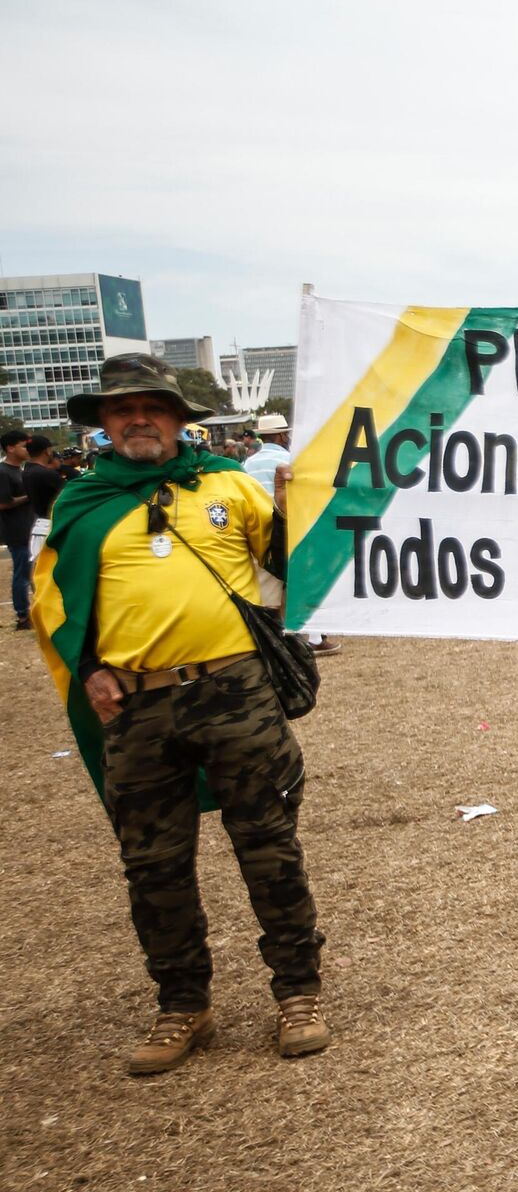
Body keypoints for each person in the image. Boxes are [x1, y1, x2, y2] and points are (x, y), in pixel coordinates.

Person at [29, 354, 330, 1074]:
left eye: (152, 407)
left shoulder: (227, 483)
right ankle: (182, 1004)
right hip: (136, 707)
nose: (138, 419)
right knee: (153, 865)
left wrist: (296, 518)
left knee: (269, 847)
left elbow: (296, 566)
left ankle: (299, 992)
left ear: (177, 417)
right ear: (102, 424)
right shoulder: (83, 500)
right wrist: (90, 668)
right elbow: (57, 601)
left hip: (236, 692)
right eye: (122, 409)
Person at [243, 413, 340, 657]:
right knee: (301, 581)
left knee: (268, 586)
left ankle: (273, 636)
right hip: (289, 526)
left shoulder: (248, 464)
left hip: (259, 530)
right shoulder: (290, 460)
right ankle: (314, 637)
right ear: (282, 435)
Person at [2, 429, 33, 628]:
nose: (27, 450)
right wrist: (30, 495)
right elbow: (3, 503)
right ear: (10, 448)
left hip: (30, 530)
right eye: (24, 446)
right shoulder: (3, 472)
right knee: (22, 575)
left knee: (32, 574)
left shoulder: (20, 470)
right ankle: (22, 615)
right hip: (17, 531)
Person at [24, 435, 67, 561]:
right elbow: (69, 493)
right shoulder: (46, 474)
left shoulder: (26, 471)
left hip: (39, 524)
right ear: (47, 451)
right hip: (52, 524)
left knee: (40, 567)